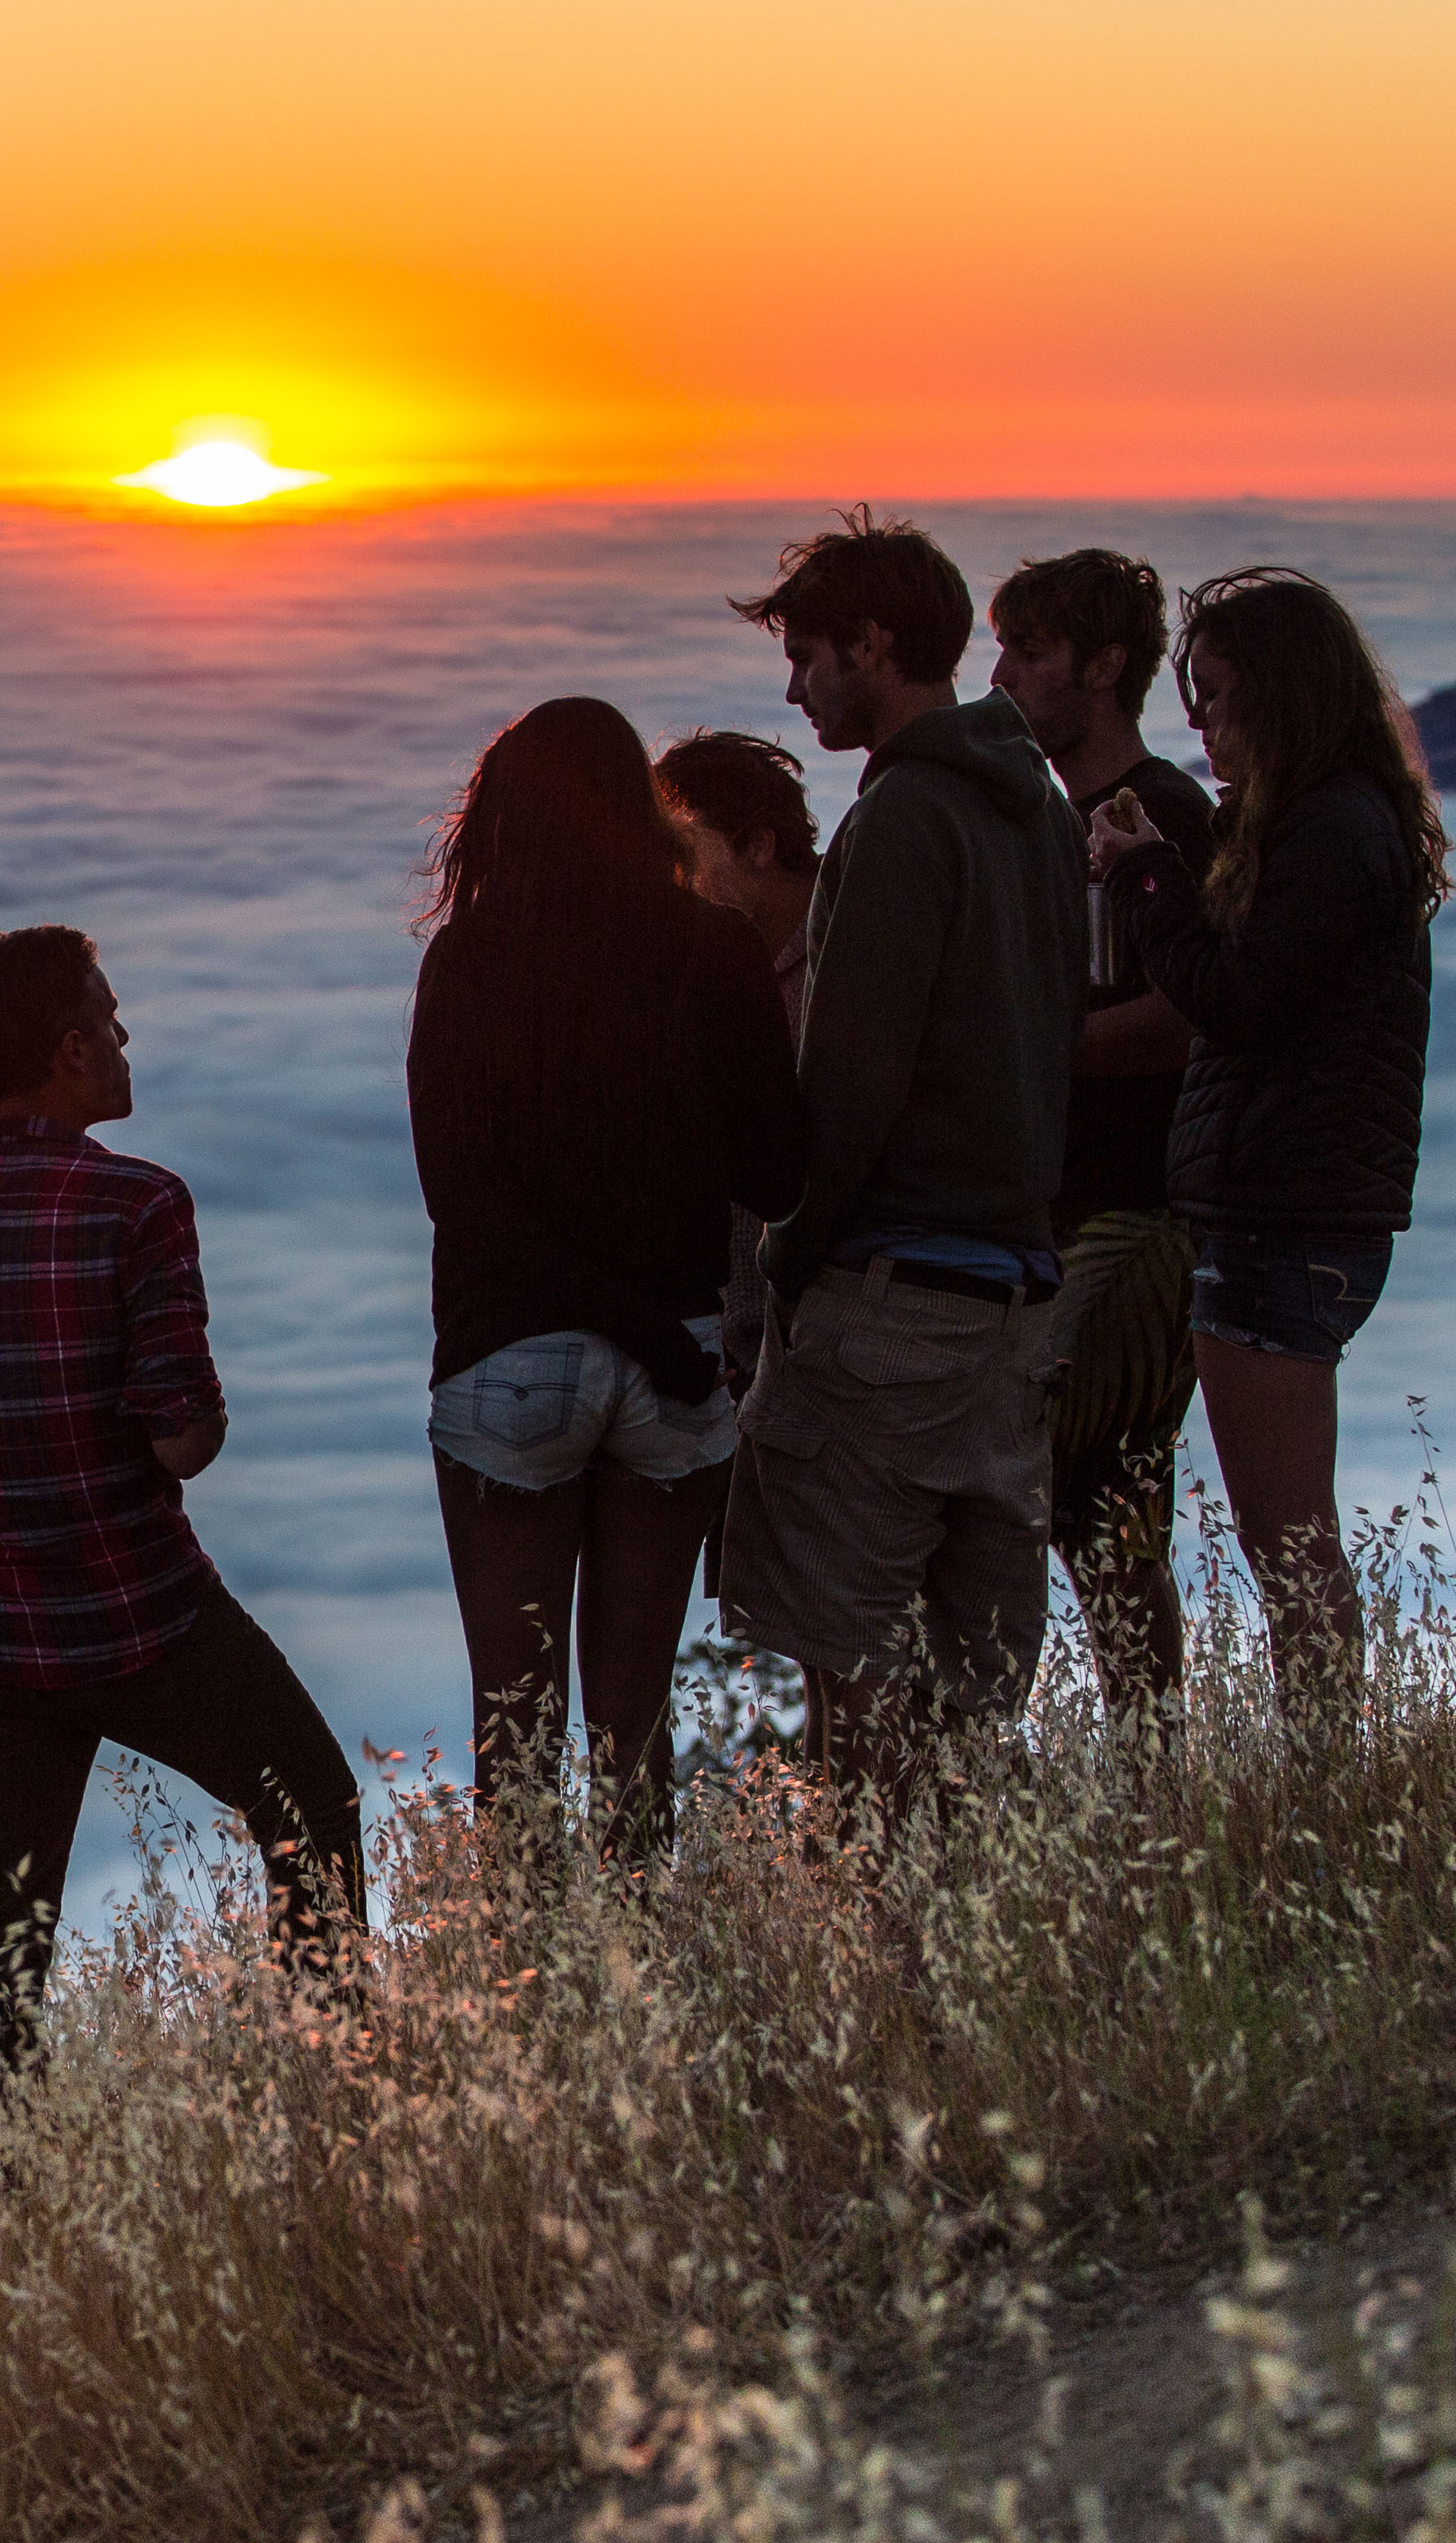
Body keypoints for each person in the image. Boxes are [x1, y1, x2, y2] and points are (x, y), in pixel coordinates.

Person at [0, 926, 361, 2099]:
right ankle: (335, 2092)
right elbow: (184, 1441)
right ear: (67, 1052)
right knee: (314, 1810)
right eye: (109, 1023)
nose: (123, 1040)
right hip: (143, 1620)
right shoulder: (137, 1204)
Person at [715, 513, 1086, 1791]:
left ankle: (877, 1966)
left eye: (812, 654)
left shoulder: (904, 821)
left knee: (851, 1691)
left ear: (876, 643)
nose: (794, 686)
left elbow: (853, 1083)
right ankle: (985, 1956)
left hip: (888, 1311)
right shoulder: (1036, 806)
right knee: (965, 1702)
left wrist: (786, 1260)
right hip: (1015, 1304)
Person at [408, 699, 803, 1859]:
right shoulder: (717, 947)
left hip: (508, 1365)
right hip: (675, 1365)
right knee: (633, 1722)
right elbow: (779, 1176)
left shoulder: (467, 958)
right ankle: (638, 1970)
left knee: (515, 1730)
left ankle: (539, 2006)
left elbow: (460, 1199)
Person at [1101, 568, 1446, 1709]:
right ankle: (1323, 1770)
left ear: (1283, 694)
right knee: (1286, 1538)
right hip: (1295, 1210)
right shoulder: (1338, 821)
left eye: (1217, 694)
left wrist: (1147, 876)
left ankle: (1325, 1781)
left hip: (1282, 1217)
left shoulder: (1330, 832)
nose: (1199, 721)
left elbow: (1241, 1000)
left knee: (1287, 1543)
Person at [990, 550, 1220, 1727]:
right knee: (1105, 1506)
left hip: (1135, 1213)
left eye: (1030, 652)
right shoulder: (1039, 822)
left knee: (1049, 1485)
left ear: (1105, 665)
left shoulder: (1167, 819)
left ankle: (1082, 1759)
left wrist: (1036, 1050)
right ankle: (1146, 1767)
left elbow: (1197, 1012)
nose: (1006, 673)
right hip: (1054, 1215)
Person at [656, 728, 825, 1405]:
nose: (672, 878)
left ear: (758, 845)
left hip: (822, 1348)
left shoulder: (842, 967)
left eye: (684, 850)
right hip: (737, 1351)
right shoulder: (714, 963)